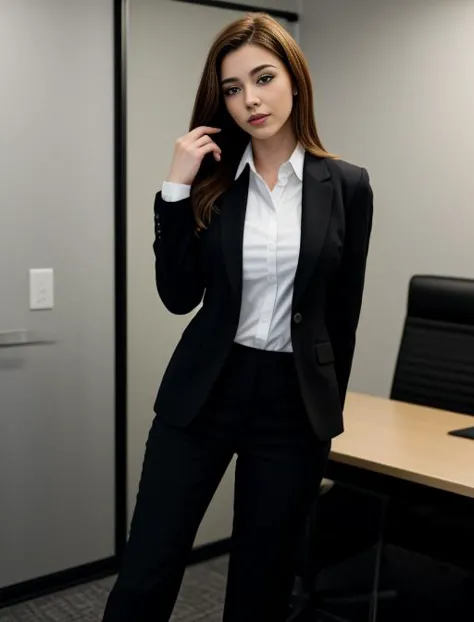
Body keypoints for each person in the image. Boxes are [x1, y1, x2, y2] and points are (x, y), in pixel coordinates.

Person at [102, 11, 373, 622]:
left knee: (262, 584)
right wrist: (174, 190)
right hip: (204, 392)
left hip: (290, 405)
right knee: (147, 571)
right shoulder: (213, 182)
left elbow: (343, 312)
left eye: (263, 78)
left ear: (294, 81)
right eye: (232, 88)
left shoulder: (348, 186)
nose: (250, 99)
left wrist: (325, 405)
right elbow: (178, 295)